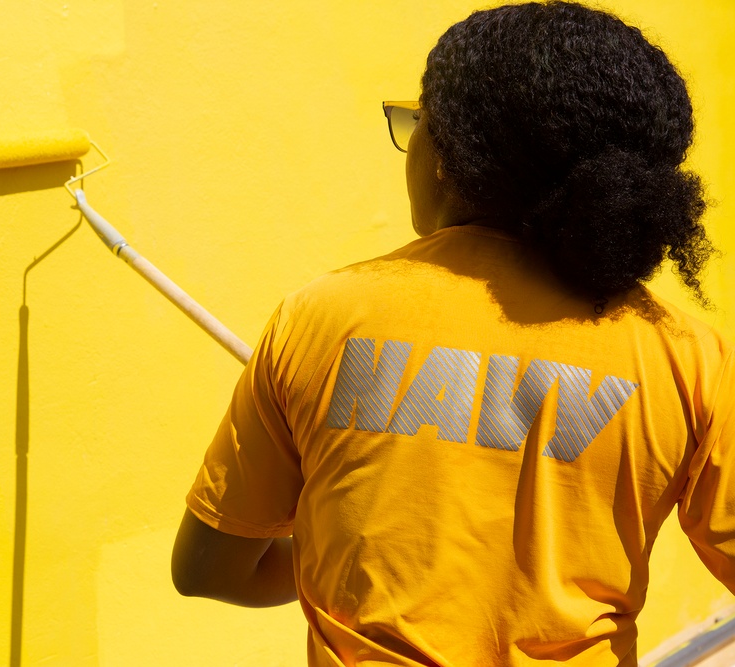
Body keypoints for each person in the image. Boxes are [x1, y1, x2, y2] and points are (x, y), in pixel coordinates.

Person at [171, 2, 733, 665]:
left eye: (416, 124)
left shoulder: (320, 316)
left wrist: (347, 556)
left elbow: (207, 568)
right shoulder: (685, 357)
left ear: (446, 154)